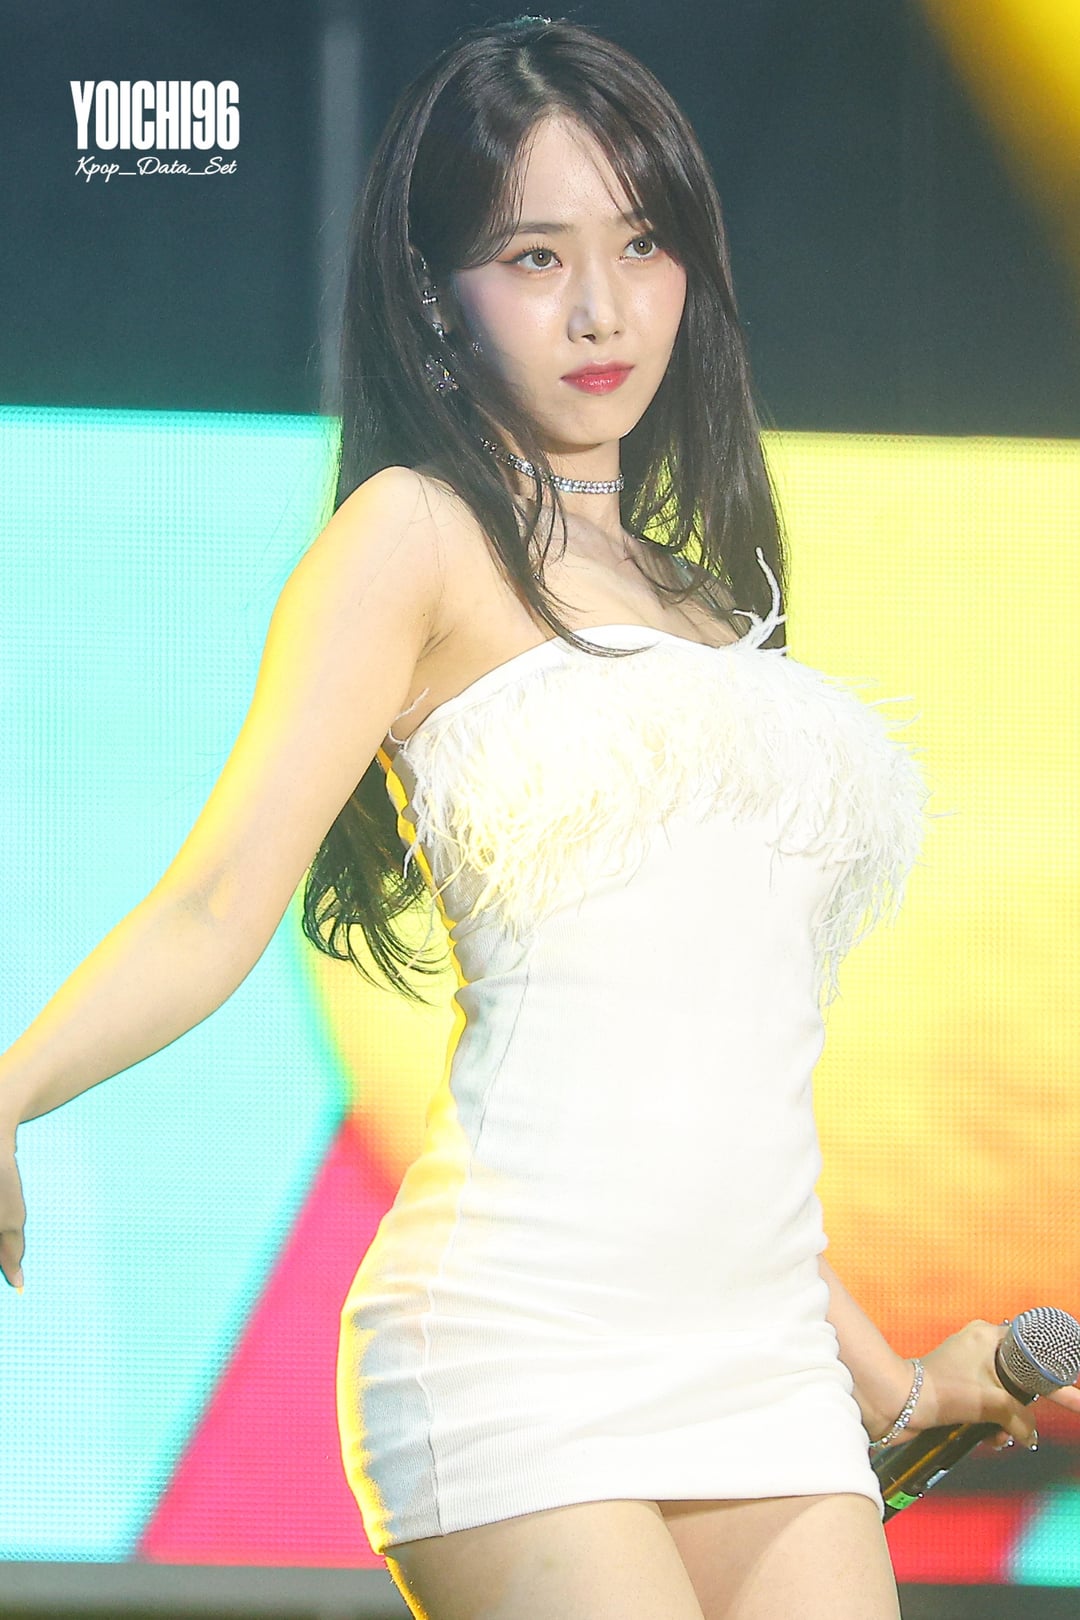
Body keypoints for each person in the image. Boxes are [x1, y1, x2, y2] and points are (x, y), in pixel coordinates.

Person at [2, 14, 1074, 1620]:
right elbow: (217, 899)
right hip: (516, 1344)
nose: (601, 308)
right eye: (533, 255)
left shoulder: (711, 598)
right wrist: (10, 1090)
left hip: (768, 1365)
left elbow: (717, 1078)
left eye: (641, 245)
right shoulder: (415, 537)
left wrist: (894, 1385)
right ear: (438, 295)